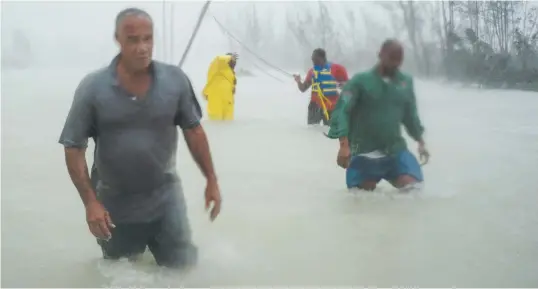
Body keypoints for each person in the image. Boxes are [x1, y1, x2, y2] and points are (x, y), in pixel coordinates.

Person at [58, 7, 222, 268]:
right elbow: (73, 147)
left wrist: (211, 179)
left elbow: (194, 130)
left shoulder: (174, 81)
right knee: (121, 275)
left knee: (183, 272)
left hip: (166, 199)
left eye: (148, 39)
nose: (142, 47)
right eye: (133, 40)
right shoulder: (93, 88)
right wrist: (90, 203)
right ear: (118, 40)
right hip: (114, 205)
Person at [327, 39, 430, 192]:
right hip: (365, 152)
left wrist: (420, 142)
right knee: (360, 200)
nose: (395, 64)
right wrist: (344, 145)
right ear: (380, 55)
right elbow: (342, 111)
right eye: (391, 59)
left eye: (398, 60)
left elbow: (410, 116)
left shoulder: (404, 83)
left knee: (414, 190)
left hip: (395, 151)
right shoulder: (359, 82)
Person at [293, 48, 349, 126]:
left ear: (323, 58)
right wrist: (298, 81)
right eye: (312, 59)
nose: (313, 62)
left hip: (331, 106)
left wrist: (343, 85)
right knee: (312, 132)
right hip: (314, 106)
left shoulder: (338, 69)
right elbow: (303, 88)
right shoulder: (312, 71)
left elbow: (349, 86)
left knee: (330, 133)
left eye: (315, 59)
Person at [203, 53, 238, 121]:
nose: (234, 64)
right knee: (216, 122)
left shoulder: (230, 75)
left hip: (226, 108)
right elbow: (219, 59)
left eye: (234, 63)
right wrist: (229, 57)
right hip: (216, 105)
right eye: (232, 62)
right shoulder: (219, 69)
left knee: (227, 125)